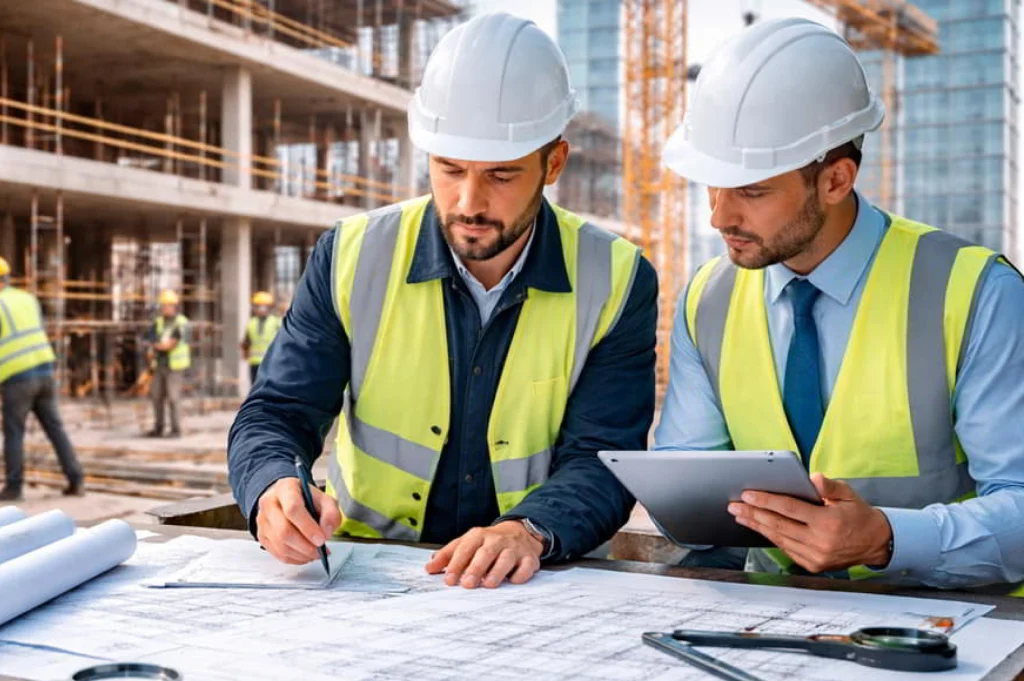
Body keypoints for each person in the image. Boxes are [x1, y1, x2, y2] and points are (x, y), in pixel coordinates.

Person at [228, 12, 657, 589]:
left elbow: (604, 457)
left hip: (535, 584)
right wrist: (272, 486)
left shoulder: (616, 278)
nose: (469, 202)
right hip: (367, 574)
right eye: (449, 169)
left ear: (553, 163)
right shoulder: (353, 255)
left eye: (501, 175)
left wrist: (530, 529)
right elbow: (276, 413)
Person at [655, 18, 1024, 589]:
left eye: (753, 191)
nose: (720, 216)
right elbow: (690, 505)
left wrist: (886, 537)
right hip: (773, 621)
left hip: (948, 631)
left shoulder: (976, 291)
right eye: (713, 184)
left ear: (836, 179)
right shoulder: (708, 299)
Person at [0, 257, 84, 501]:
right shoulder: (28, 298)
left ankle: (14, 488)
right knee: (55, 429)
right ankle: (76, 479)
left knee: (14, 432)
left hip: (17, 377)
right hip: (45, 371)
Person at [146, 289, 190, 438]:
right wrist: (157, 345)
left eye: (168, 305)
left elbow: (172, 343)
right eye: (163, 305)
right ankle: (158, 428)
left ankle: (176, 430)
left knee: (173, 398)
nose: (165, 308)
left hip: (175, 367)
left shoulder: (181, 322)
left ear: (175, 306)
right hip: (159, 364)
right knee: (156, 396)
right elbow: (151, 338)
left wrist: (159, 345)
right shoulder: (158, 322)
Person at [241, 291, 281, 386]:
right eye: (258, 306)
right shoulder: (251, 323)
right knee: (256, 387)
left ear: (270, 308)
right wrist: (245, 353)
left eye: (264, 306)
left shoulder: (276, 322)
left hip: (271, 361)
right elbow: (246, 342)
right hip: (255, 362)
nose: (261, 309)